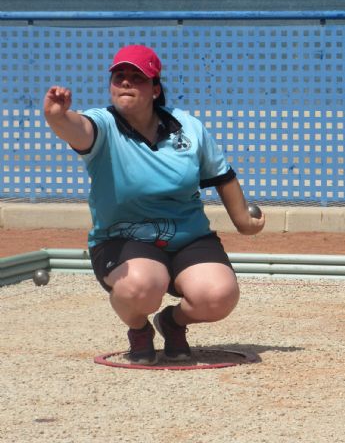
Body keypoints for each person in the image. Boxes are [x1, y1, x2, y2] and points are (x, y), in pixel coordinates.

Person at [43, 44, 265, 364]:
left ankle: (172, 323)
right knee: (141, 286)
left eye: (138, 77)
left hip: (189, 237)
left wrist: (243, 220)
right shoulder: (102, 124)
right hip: (124, 239)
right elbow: (76, 130)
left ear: (155, 88)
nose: (126, 83)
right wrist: (57, 117)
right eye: (120, 76)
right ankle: (139, 329)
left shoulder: (188, 127)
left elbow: (222, 176)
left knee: (219, 296)